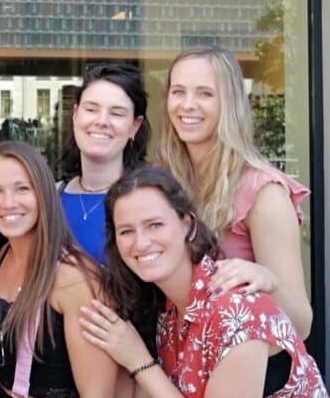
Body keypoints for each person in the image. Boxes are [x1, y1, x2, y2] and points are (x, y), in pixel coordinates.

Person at [78, 166, 326, 398]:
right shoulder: (168, 309)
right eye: (126, 231)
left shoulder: (235, 309)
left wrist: (138, 361)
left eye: (155, 225)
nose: (141, 243)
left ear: (187, 225)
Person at [157, 45, 312, 337]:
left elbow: (302, 325)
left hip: (243, 362)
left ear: (230, 103)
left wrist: (267, 281)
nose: (187, 105)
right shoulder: (162, 182)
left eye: (205, 93)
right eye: (178, 92)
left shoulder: (263, 193)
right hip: (171, 357)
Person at [0, 141, 117, 398]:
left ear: (43, 193)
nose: (8, 203)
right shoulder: (3, 254)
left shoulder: (73, 279)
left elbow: (98, 392)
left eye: (22, 189)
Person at [59, 63, 149, 263]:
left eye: (116, 113)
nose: (102, 121)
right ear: (75, 115)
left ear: (135, 126)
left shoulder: (149, 200)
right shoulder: (49, 197)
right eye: (91, 109)